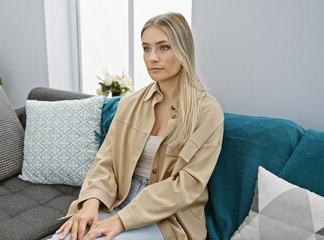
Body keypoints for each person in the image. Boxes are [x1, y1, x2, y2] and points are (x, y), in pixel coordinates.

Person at [54, 12, 224, 240]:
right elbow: (106, 161)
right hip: (116, 196)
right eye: (146, 48)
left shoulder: (208, 113)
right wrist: (91, 203)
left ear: (183, 50)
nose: (152, 57)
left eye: (164, 47)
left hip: (168, 216)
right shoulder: (130, 103)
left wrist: (124, 220)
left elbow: (188, 185)